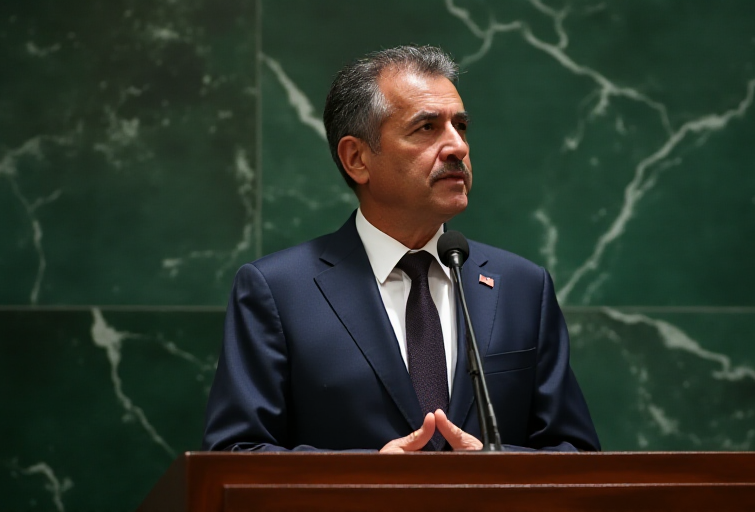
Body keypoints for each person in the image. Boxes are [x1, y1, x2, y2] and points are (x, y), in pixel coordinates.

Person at [202, 45, 599, 452]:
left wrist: (492, 464)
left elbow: (576, 453)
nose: (457, 147)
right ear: (356, 158)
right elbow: (237, 453)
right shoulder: (278, 291)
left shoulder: (522, 287)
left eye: (460, 126)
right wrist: (368, 479)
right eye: (426, 128)